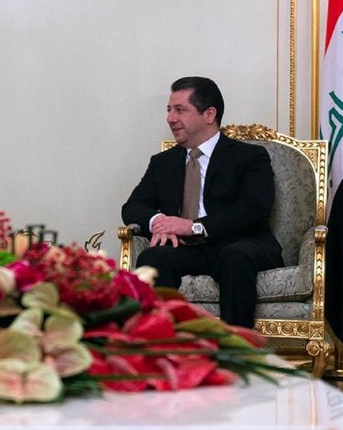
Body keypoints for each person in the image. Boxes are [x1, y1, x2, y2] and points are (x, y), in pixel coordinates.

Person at [121, 76, 282, 328]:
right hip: (188, 250)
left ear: (209, 114)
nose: (170, 118)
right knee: (154, 258)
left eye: (180, 110)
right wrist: (160, 221)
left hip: (240, 243)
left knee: (234, 256)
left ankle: (234, 344)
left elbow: (254, 209)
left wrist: (194, 226)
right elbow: (132, 207)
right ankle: (164, 343)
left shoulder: (249, 156)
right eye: (169, 110)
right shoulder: (163, 163)